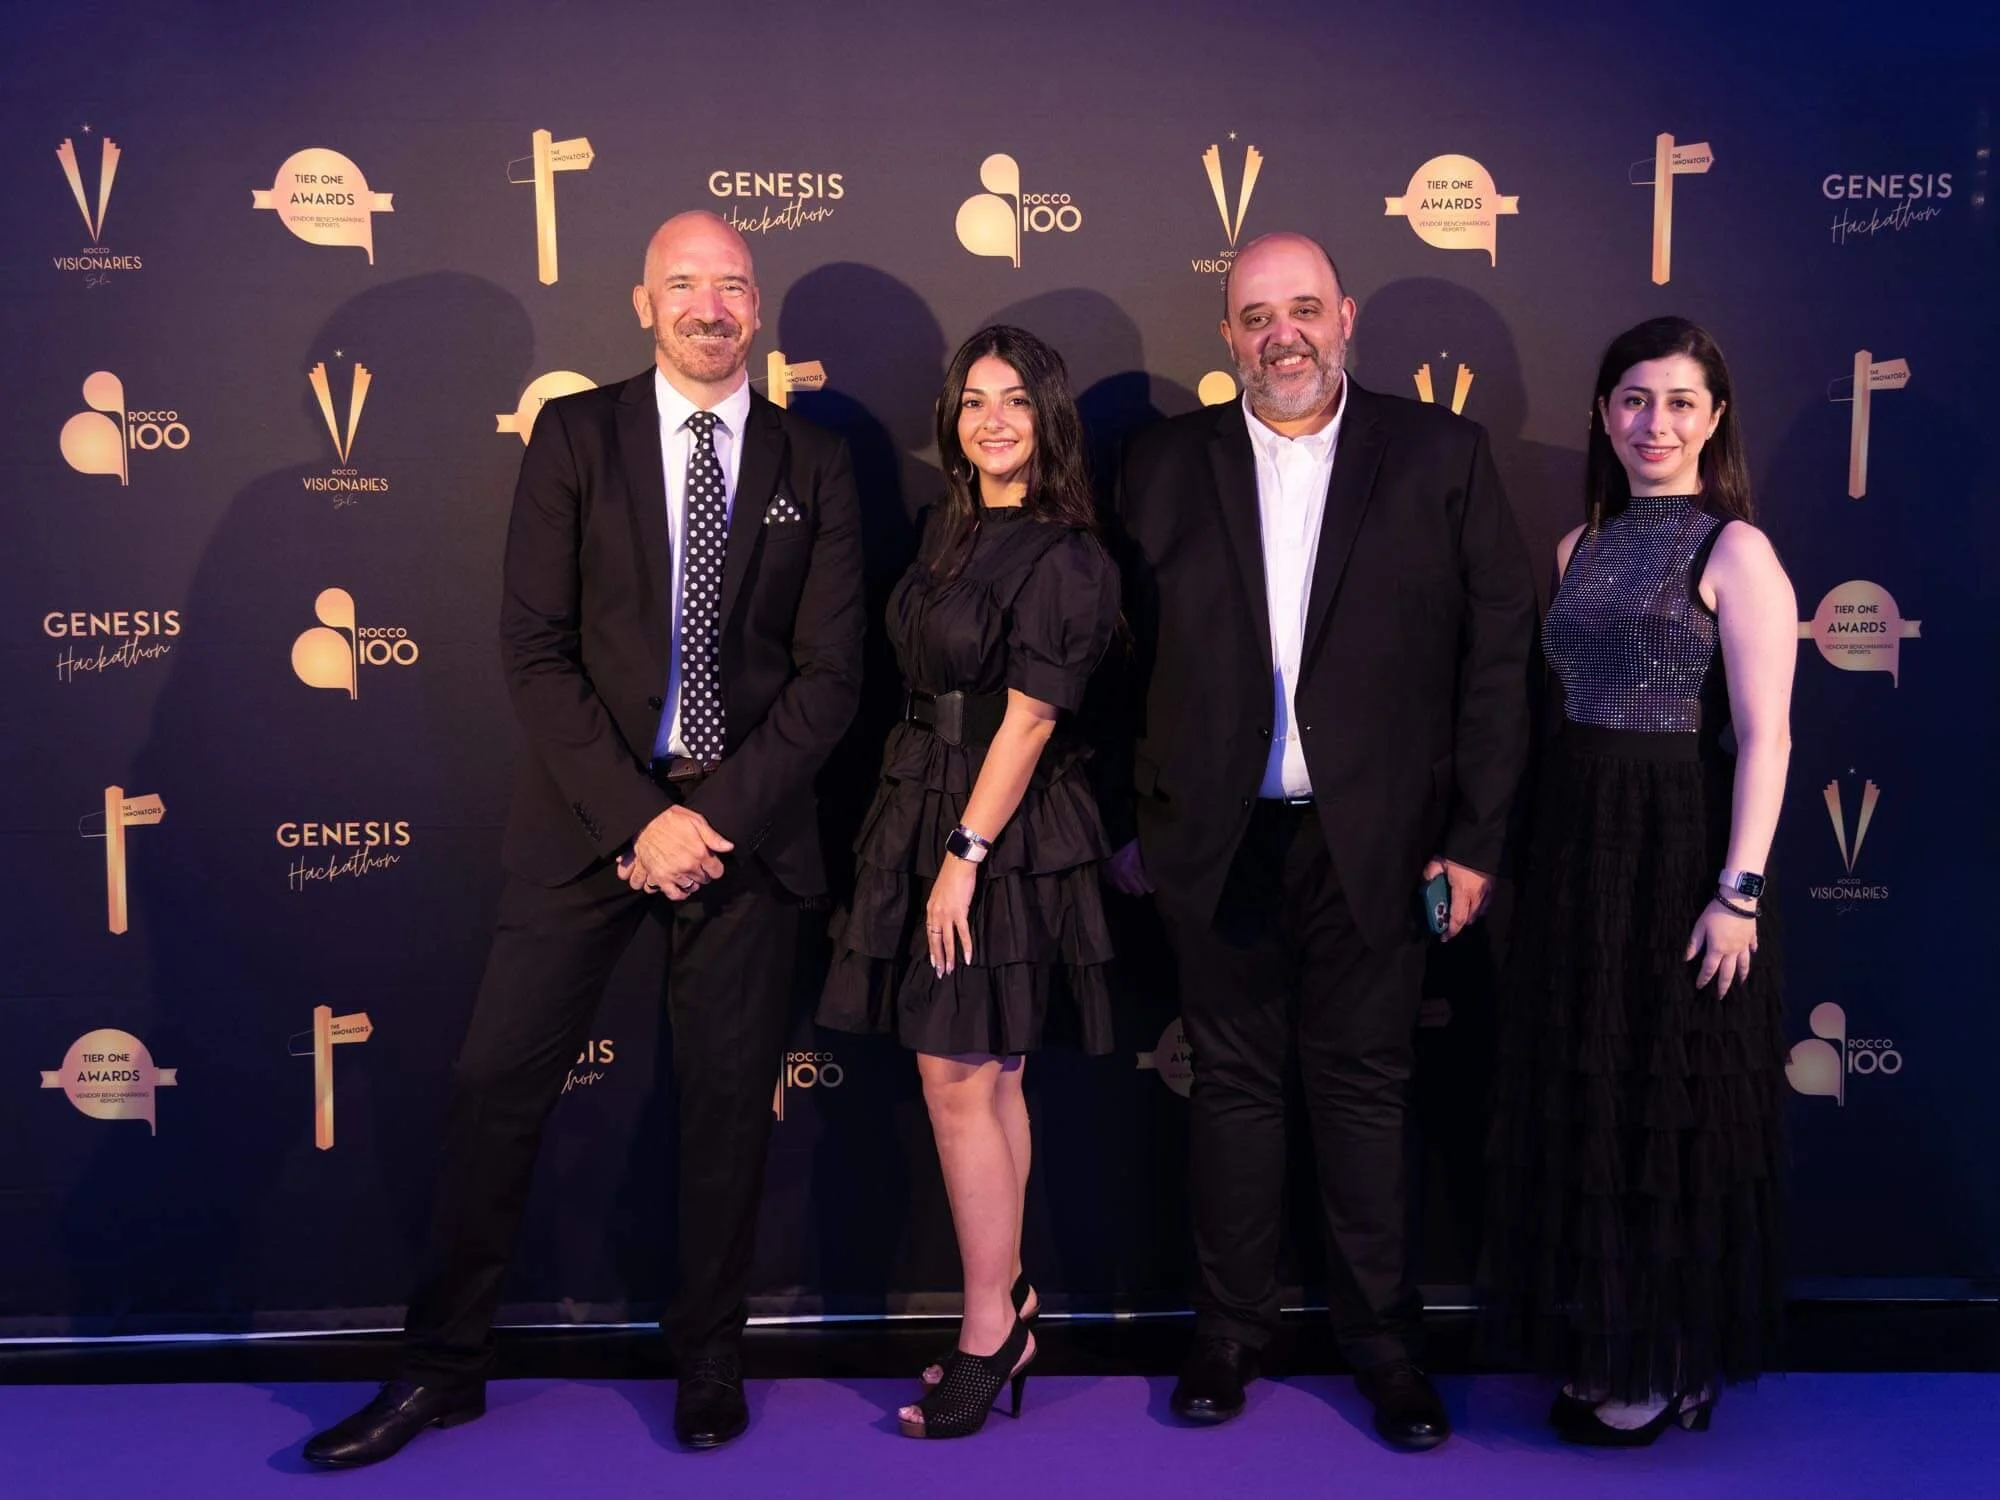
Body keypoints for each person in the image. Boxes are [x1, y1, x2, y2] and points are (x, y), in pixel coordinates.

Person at [303, 211, 865, 1466]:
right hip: (586, 823)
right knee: (494, 1088)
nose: (708, 307)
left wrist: (705, 822)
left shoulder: (811, 463)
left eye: (730, 285)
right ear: (640, 302)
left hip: (743, 835)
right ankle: (443, 1369)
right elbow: (534, 650)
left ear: (757, 307)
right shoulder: (574, 434)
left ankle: (707, 1360)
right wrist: (640, 819)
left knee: (726, 1109)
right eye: (684, 285)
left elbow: (831, 681)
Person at [1103, 232, 1537, 1451]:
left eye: (1301, 309)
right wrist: (1137, 823)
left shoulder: (1438, 456)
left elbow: (1495, 664)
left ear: (1343, 317)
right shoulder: (1157, 465)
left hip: (1386, 847)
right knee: (1231, 1095)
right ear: (1226, 335)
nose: (1279, 335)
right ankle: (1227, 1337)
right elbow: (1110, 664)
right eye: (1253, 317)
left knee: (1360, 1095)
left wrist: (1472, 841)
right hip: (1217, 843)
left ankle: (1383, 1347)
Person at [1481, 315, 1796, 1444]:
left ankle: (1666, 1361)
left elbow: (1765, 736)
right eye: (1630, 399)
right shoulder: (1575, 546)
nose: (1651, 422)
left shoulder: (1736, 552)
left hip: (1677, 852)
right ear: (1600, 416)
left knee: (1670, 1104)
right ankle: (1605, 1339)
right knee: (1594, 1096)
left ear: (1712, 418)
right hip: (1575, 846)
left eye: (1675, 401)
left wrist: (1737, 892)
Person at [819, 325, 1120, 1439]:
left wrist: (962, 856)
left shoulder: (1067, 554)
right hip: (924, 795)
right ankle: (1011, 1306)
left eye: (1014, 402)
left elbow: (1033, 716)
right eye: (972, 401)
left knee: (960, 1079)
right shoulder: (949, 532)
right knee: (984, 1079)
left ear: (1048, 419)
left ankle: (989, 1327)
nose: (991, 420)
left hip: (999, 824)